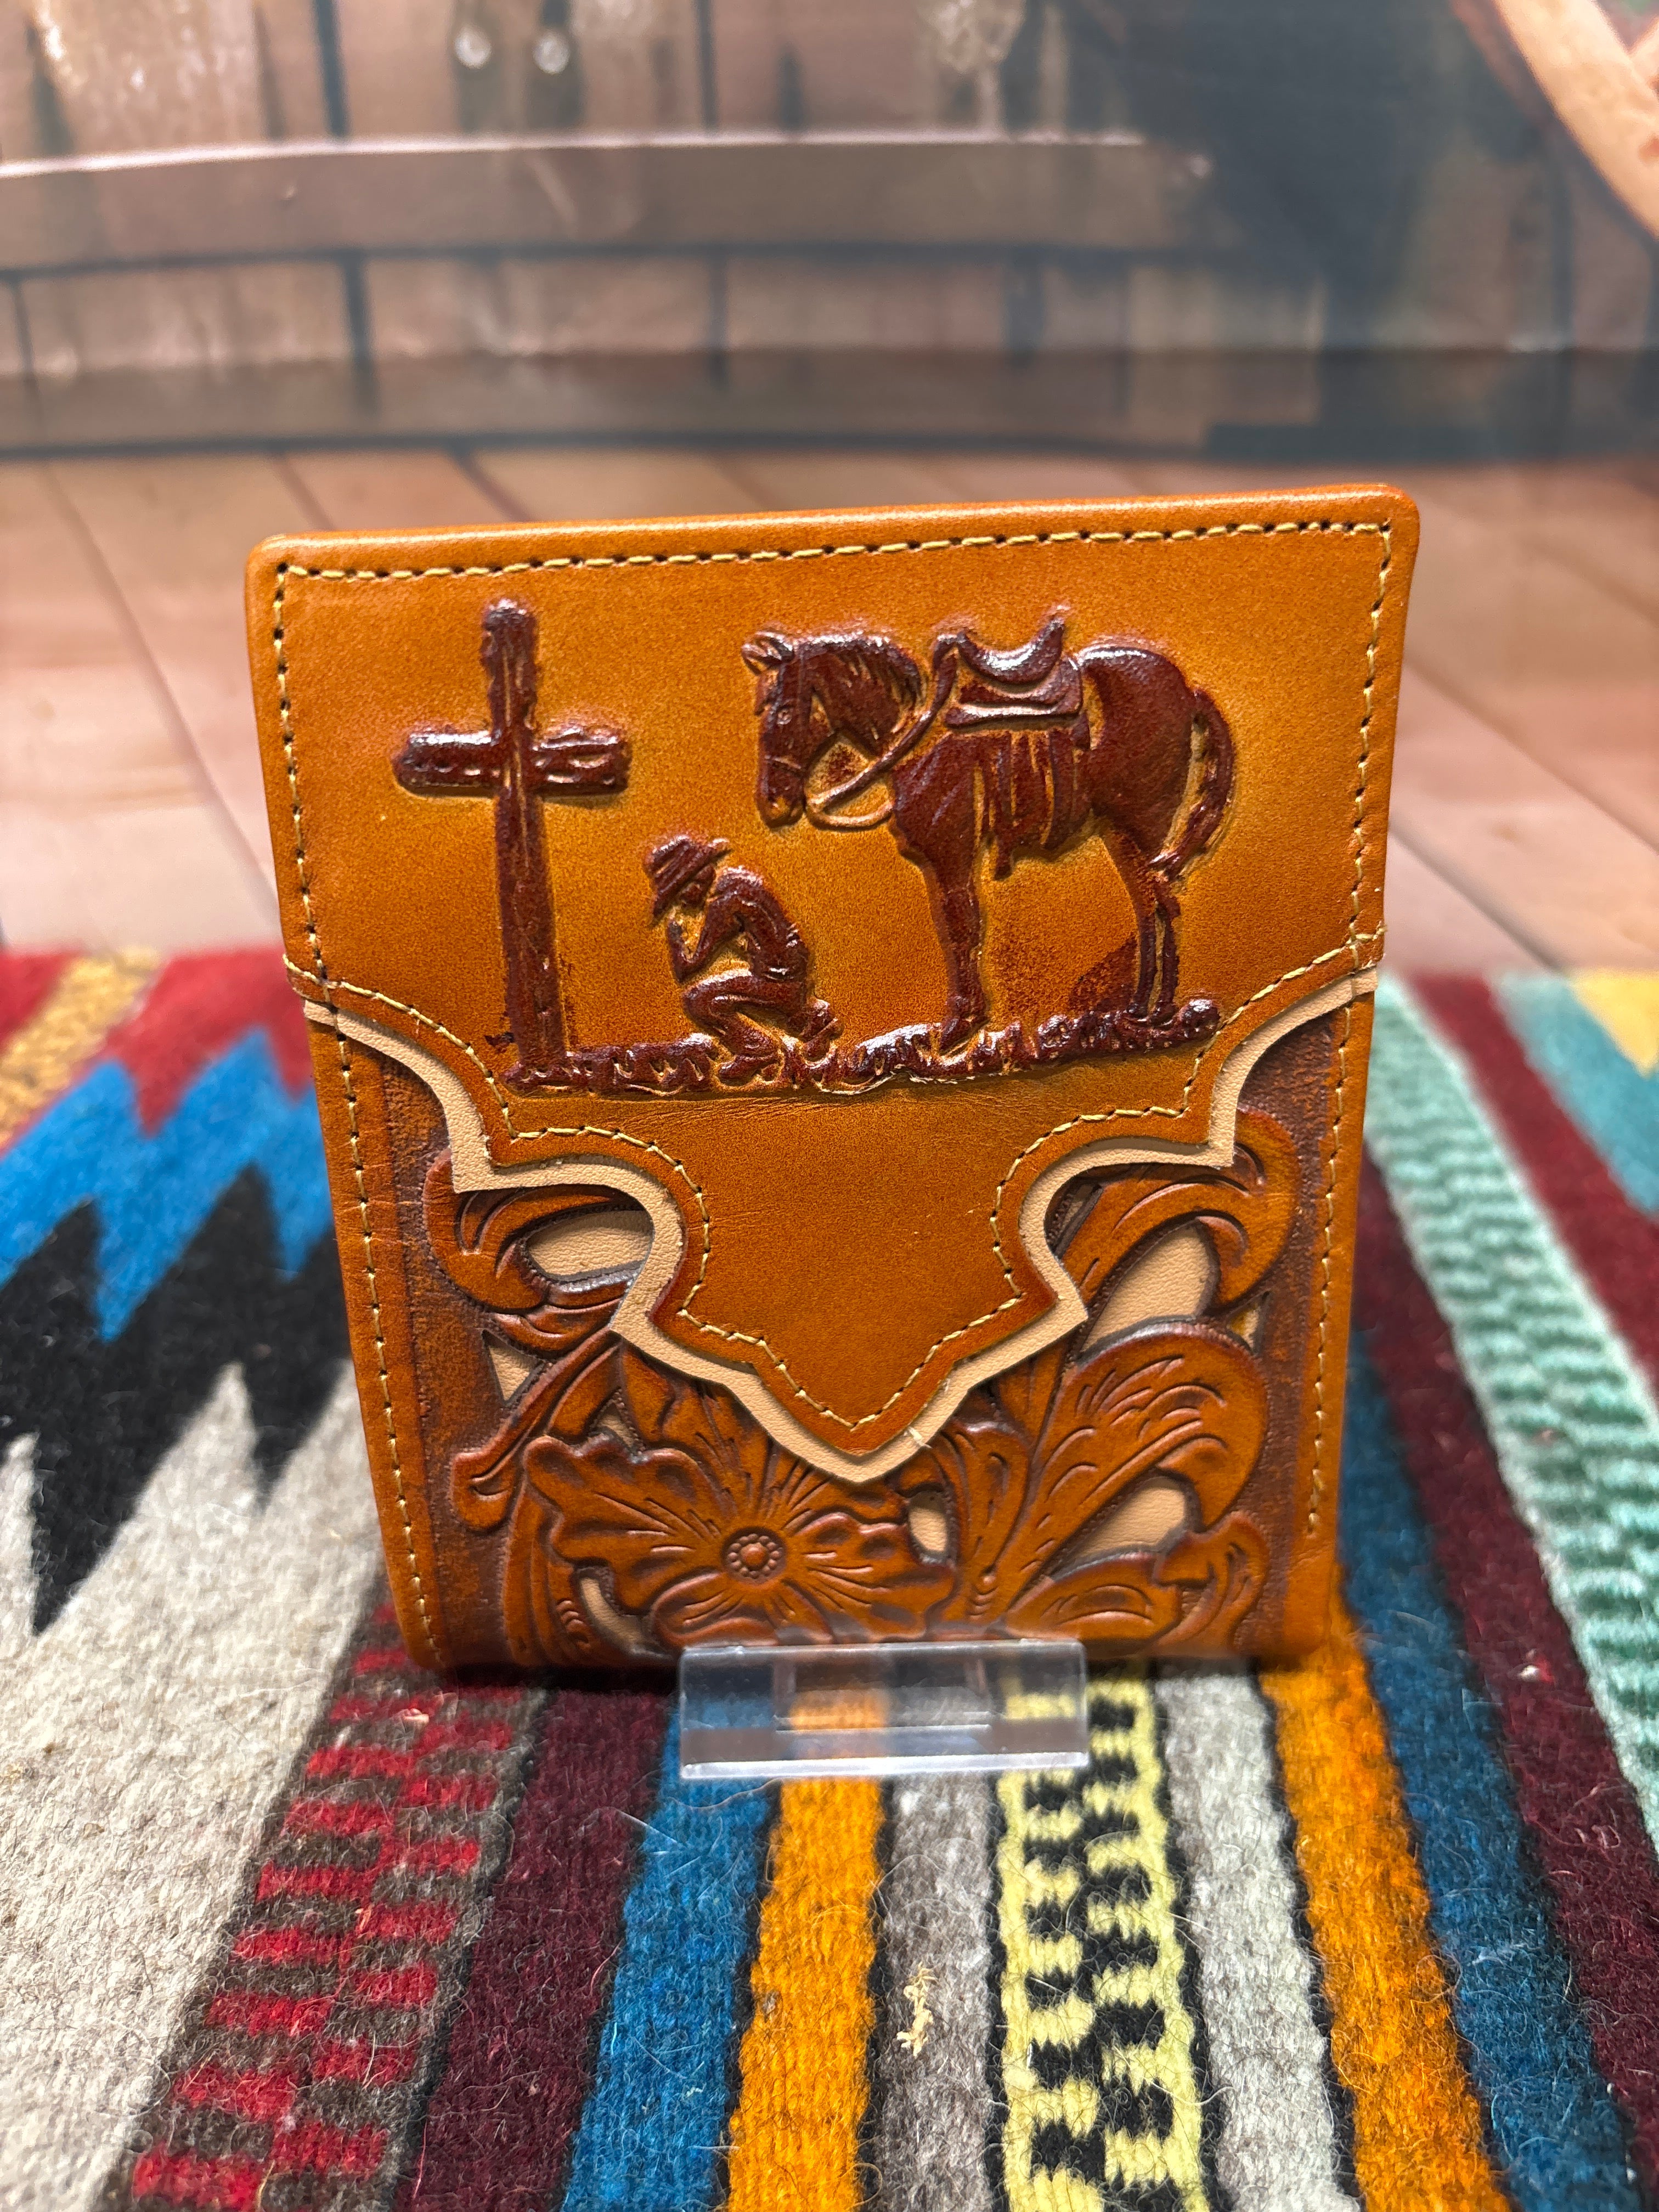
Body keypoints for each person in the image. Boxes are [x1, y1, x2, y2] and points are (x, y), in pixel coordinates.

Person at [645, 834, 838, 1082]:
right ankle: (813, 1018)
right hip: (789, 971)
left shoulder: (724, 904)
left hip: (776, 980)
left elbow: (689, 967)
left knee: (699, 1001)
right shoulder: (739, 882)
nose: (681, 902)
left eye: (678, 894)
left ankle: (757, 1050)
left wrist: (675, 939)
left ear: (695, 882)